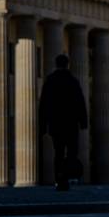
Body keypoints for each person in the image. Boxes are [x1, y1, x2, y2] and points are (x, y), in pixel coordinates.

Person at [39, 54, 87, 191]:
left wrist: (42, 125)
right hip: (71, 124)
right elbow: (80, 102)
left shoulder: (50, 80)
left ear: (56, 64)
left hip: (56, 124)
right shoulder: (73, 81)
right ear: (67, 64)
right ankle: (68, 177)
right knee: (72, 152)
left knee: (58, 153)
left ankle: (60, 180)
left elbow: (43, 104)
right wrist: (83, 122)